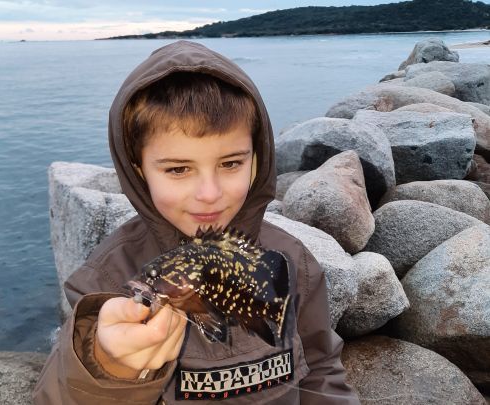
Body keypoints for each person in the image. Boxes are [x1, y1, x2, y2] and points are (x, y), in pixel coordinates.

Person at [33, 40, 360, 404]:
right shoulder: (106, 281)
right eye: (178, 169)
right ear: (138, 170)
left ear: (258, 158)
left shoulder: (292, 260)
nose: (209, 193)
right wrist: (110, 368)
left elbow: (322, 368)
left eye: (231, 163)